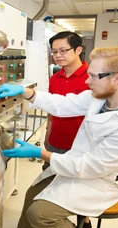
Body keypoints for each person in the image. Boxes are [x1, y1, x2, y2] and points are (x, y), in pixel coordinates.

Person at [0, 46, 118, 228]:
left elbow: (91, 167)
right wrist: (26, 92)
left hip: (104, 179)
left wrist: (40, 152)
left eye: (94, 76)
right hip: (79, 164)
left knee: (40, 214)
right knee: (32, 193)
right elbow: (64, 104)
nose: (87, 81)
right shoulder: (100, 97)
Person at [42, 31, 89, 171]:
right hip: (55, 142)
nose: (58, 56)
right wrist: (48, 134)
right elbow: (52, 108)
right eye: (54, 52)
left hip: (81, 146)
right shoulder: (54, 78)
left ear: (78, 50)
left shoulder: (92, 78)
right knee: (47, 181)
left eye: (63, 51)